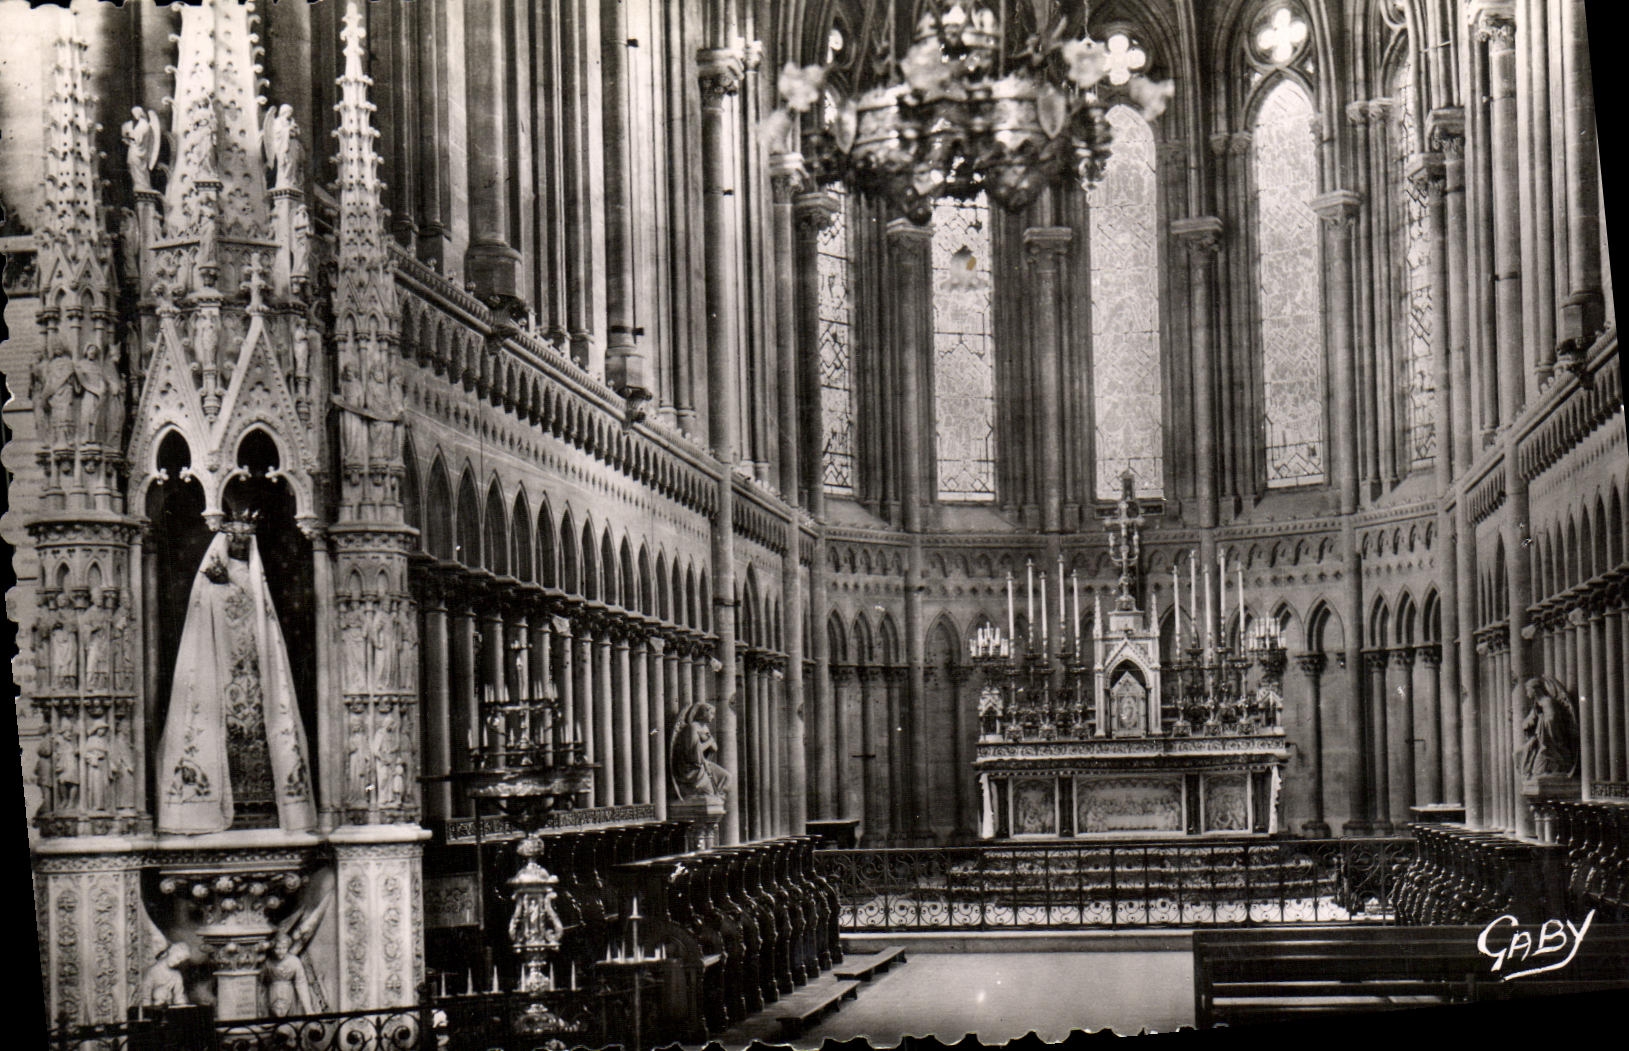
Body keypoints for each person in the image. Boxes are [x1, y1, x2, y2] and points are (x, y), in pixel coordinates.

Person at [155, 512, 317, 833]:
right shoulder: (211, 579)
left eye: (245, 538)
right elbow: (201, 621)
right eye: (235, 538)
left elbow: (264, 621)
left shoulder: (255, 577)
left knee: (259, 720)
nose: (240, 544)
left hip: (252, 666)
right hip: (217, 661)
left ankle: (267, 799)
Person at [1518, 676, 1580, 780]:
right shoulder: (1538, 704)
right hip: (1542, 741)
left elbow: (1552, 719)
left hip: (1550, 743)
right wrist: (1526, 723)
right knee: (1520, 753)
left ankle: (1555, 767)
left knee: (1538, 769)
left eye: (1528, 690)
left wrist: (1541, 721)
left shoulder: (1547, 702)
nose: (1527, 693)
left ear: (1535, 690)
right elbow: (1530, 720)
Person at [669, 700, 731, 800]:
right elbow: (693, 754)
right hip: (691, 768)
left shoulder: (705, 728)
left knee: (726, 777)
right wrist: (708, 742)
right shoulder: (692, 728)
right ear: (703, 713)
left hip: (702, 764)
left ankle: (718, 795)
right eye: (711, 713)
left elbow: (715, 748)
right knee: (709, 793)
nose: (713, 716)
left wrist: (709, 740)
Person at [262, 932, 314, 1017]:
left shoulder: (294, 961)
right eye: (277, 948)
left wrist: (308, 1008)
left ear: (288, 947)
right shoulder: (268, 963)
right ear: (273, 948)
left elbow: (301, 983)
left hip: (289, 995)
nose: (280, 951)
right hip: (272, 995)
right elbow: (262, 983)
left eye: (283, 948)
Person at [140, 943, 191, 1008]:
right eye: (178, 958)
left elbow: (179, 997)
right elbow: (145, 997)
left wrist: (182, 1005)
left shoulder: (177, 975)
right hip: (154, 1010)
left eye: (180, 961)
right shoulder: (152, 971)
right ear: (171, 951)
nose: (177, 962)